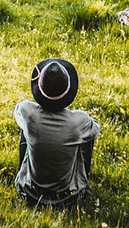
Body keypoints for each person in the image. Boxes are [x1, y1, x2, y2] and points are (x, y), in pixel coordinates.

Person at [13, 57, 99, 208]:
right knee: (86, 137)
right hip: (68, 197)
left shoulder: (27, 112)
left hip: (30, 193)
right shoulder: (79, 121)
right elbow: (95, 128)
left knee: (25, 128)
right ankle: (84, 179)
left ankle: (23, 172)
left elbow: (19, 110)